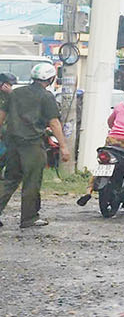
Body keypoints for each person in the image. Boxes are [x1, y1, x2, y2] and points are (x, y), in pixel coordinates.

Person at [0, 62, 72, 229]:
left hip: (12, 142)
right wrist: (63, 147)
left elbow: (2, 115)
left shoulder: (15, 93)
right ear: (51, 79)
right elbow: (54, 122)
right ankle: (29, 218)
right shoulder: (46, 97)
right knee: (32, 181)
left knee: (10, 179)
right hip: (32, 144)